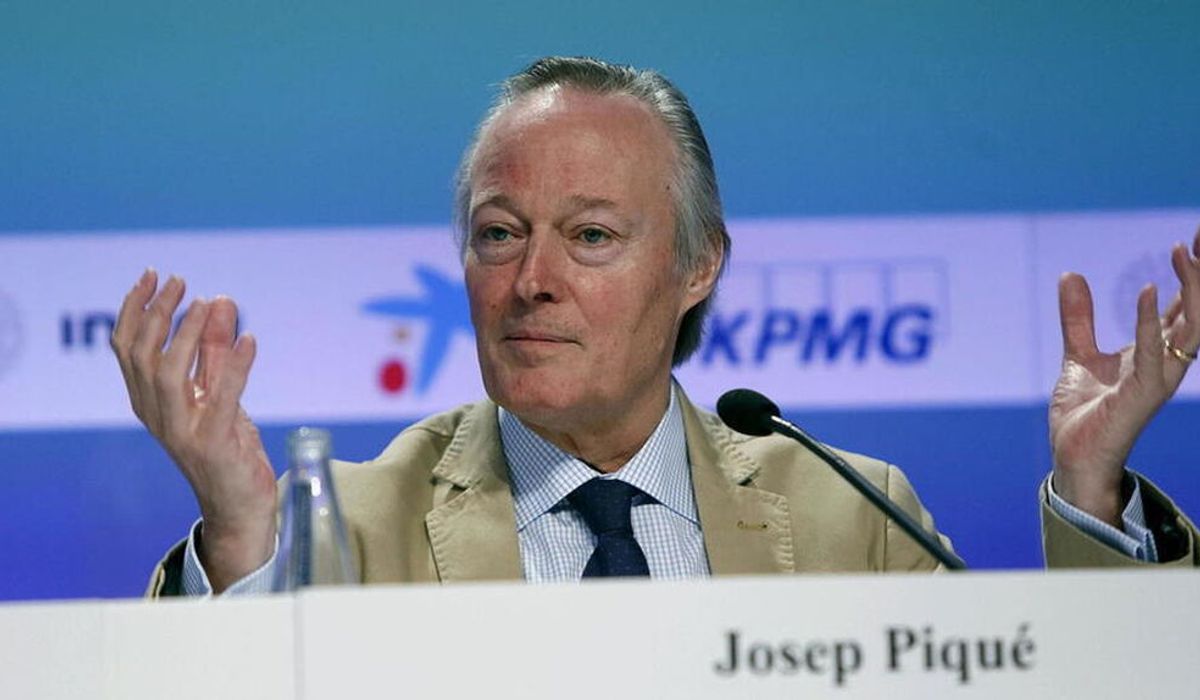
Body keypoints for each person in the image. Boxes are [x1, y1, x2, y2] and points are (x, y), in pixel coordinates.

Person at [110, 57, 1197, 597]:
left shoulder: (850, 520)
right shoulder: (342, 529)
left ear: (696, 266)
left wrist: (1091, 494)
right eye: (499, 234)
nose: (531, 280)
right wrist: (242, 532)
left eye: (590, 236)